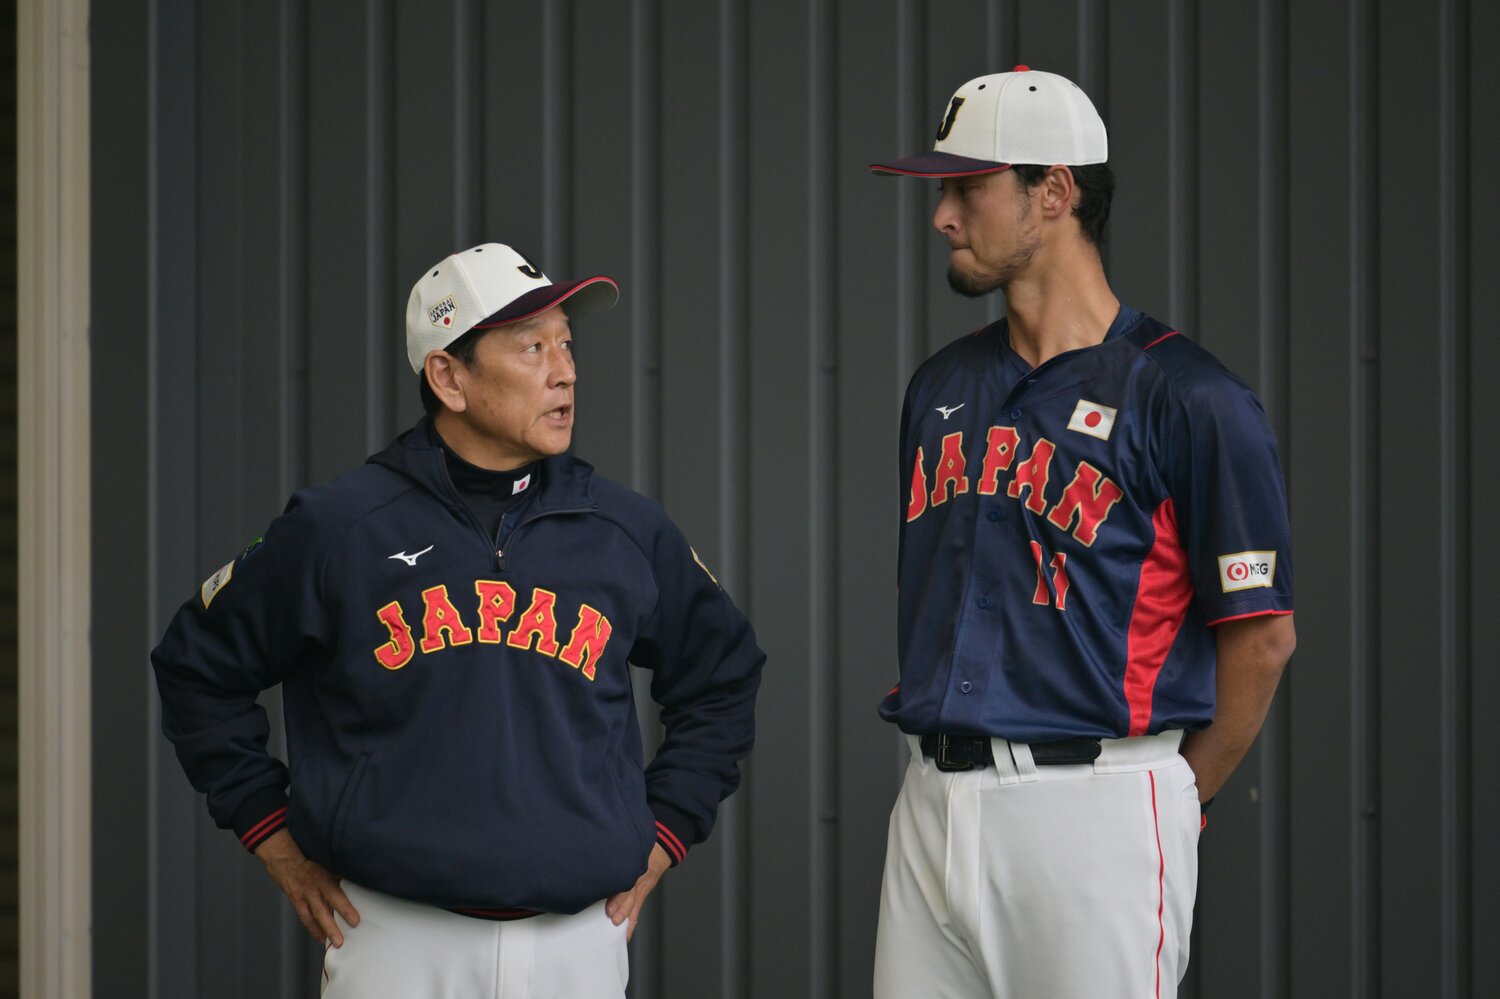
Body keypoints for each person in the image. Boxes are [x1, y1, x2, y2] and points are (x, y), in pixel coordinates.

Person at [151, 242, 765, 997]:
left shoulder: (624, 529)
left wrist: (665, 830)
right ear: (448, 375)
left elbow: (724, 675)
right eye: (531, 346)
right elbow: (195, 667)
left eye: (567, 343)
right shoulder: (342, 526)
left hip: (580, 941)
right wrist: (272, 837)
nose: (565, 369)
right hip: (395, 941)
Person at [867, 67, 1296, 998]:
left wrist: (1177, 795)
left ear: (1054, 191)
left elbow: (1262, 637)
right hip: (932, 800)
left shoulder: (1191, 398)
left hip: (1096, 799)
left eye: (967, 188)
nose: (943, 216)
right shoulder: (940, 387)